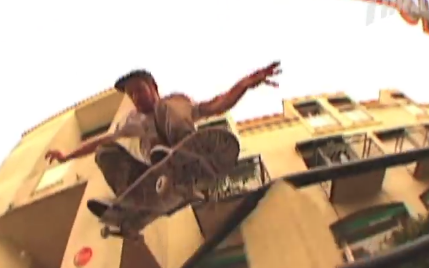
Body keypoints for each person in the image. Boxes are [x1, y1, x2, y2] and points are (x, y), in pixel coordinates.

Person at [45, 61, 281, 214]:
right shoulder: (132, 121)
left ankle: (181, 156)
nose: (136, 97)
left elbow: (218, 104)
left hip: (190, 160)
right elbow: (101, 141)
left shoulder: (176, 104)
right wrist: (66, 156)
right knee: (105, 151)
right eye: (131, 94)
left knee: (166, 106)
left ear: (153, 87)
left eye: (139, 90)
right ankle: (129, 201)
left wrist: (245, 85)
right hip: (155, 175)